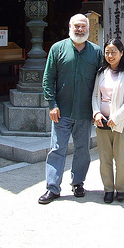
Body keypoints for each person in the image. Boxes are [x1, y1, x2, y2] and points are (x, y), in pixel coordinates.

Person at [39, 14, 103, 204]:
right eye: (76, 26)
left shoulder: (96, 52)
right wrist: (52, 104)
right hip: (62, 111)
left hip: (85, 112)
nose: (80, 29)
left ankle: (78, 182)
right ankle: (52, 187)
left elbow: (102, 82)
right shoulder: (57, 49)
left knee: (83, 149)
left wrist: (97, 109)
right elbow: (48, 79)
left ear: (88, 28)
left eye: (83, 26)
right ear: (69, 26)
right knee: (57, 148)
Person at [92, 39, 124, 203]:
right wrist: (96, 113)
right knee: (104, 158)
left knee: (122, 158)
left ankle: (121, 189)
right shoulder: (101, 72)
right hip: (102, 123)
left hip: (122, 123)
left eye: (114, 52)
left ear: (122, 53)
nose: (110, 55)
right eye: (107, 52)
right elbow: (96, 95)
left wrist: (116, 118)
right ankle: (108, 189)